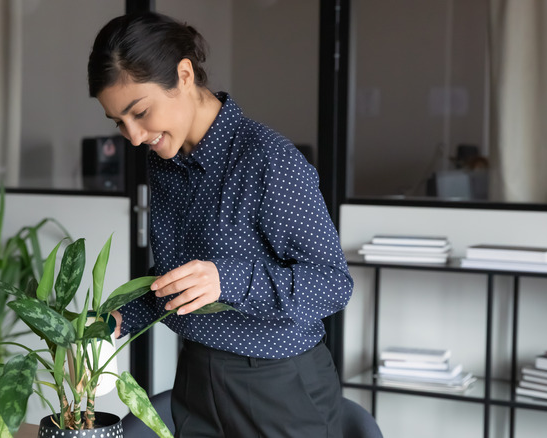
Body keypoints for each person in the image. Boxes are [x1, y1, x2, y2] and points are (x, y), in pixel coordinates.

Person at [88, 11, 353, 438]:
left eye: (141, 113)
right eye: (119, 122)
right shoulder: (165, 161)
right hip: (196, 375)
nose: (134, 137)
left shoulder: (268, 159)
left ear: (185, 74)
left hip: (278, 384)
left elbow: (333, 284)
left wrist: (226, 279)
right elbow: (182, 280)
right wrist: (121, 316)